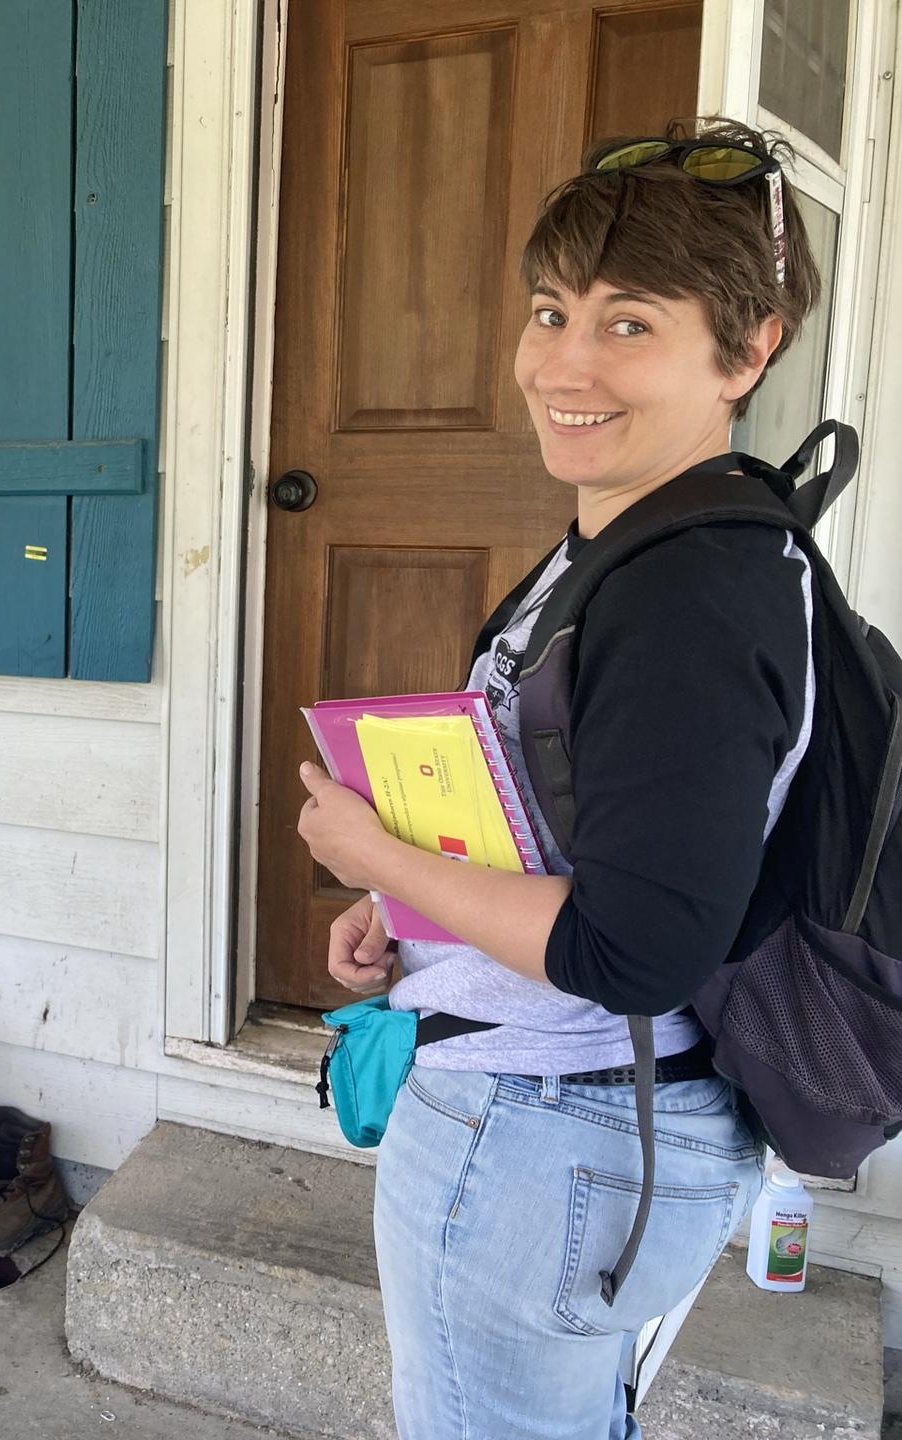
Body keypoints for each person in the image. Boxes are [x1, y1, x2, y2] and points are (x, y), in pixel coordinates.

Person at [294, 118, 824, 1440]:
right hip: (554, 1120)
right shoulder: (624, 540)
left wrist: (383, 861)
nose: (562, 365)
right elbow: (578, 832)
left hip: (550, 1137)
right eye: (550, 311)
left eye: (630, 324)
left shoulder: (691, 590)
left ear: (748, 351)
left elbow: (635, 946)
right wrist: (411, 917)